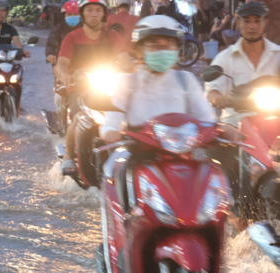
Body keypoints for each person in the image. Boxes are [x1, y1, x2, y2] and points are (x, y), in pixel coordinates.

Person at [101, 15, 216, 145]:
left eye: (169, 46)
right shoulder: (126, 82)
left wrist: (221, 129)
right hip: (139, 155)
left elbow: (207, 119)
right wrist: (111, 131)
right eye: (155, 46)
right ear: (140, 50)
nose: (163, 51)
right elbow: (112, 122)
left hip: (183, 155)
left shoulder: (185, 80)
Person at [55, 0, 131, 173]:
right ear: (83, 14)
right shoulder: (72, 37)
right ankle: (68, 155)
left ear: (104, 14)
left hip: (112, 86)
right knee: (78, 114)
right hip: (81, 87)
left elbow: (126, 61)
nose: (94, 14)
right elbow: (62, 64)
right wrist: (65, 75)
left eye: (98, 10)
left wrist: (132, 71)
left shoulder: (113, 36)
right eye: (89, 10)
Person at [206, 2, 280, 131]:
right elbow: (212, 87)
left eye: (257, 21)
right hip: (235, 125)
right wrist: (217, 97)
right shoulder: (225, 57)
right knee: (215, 145)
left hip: (274, 124)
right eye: (247, 21)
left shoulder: (278, 54)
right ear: (238, 22)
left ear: (265, 22)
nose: (252, 26)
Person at [45, 1, 81, 116]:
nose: (72, 18)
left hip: (84, 67)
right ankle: (61, 117)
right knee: (60, 93)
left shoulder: (87, 30)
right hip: (63, 66)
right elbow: (51, 43)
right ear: (63, 16)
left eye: (76, 15)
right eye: (69, 15)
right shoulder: (58, 29)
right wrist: (50, 54)